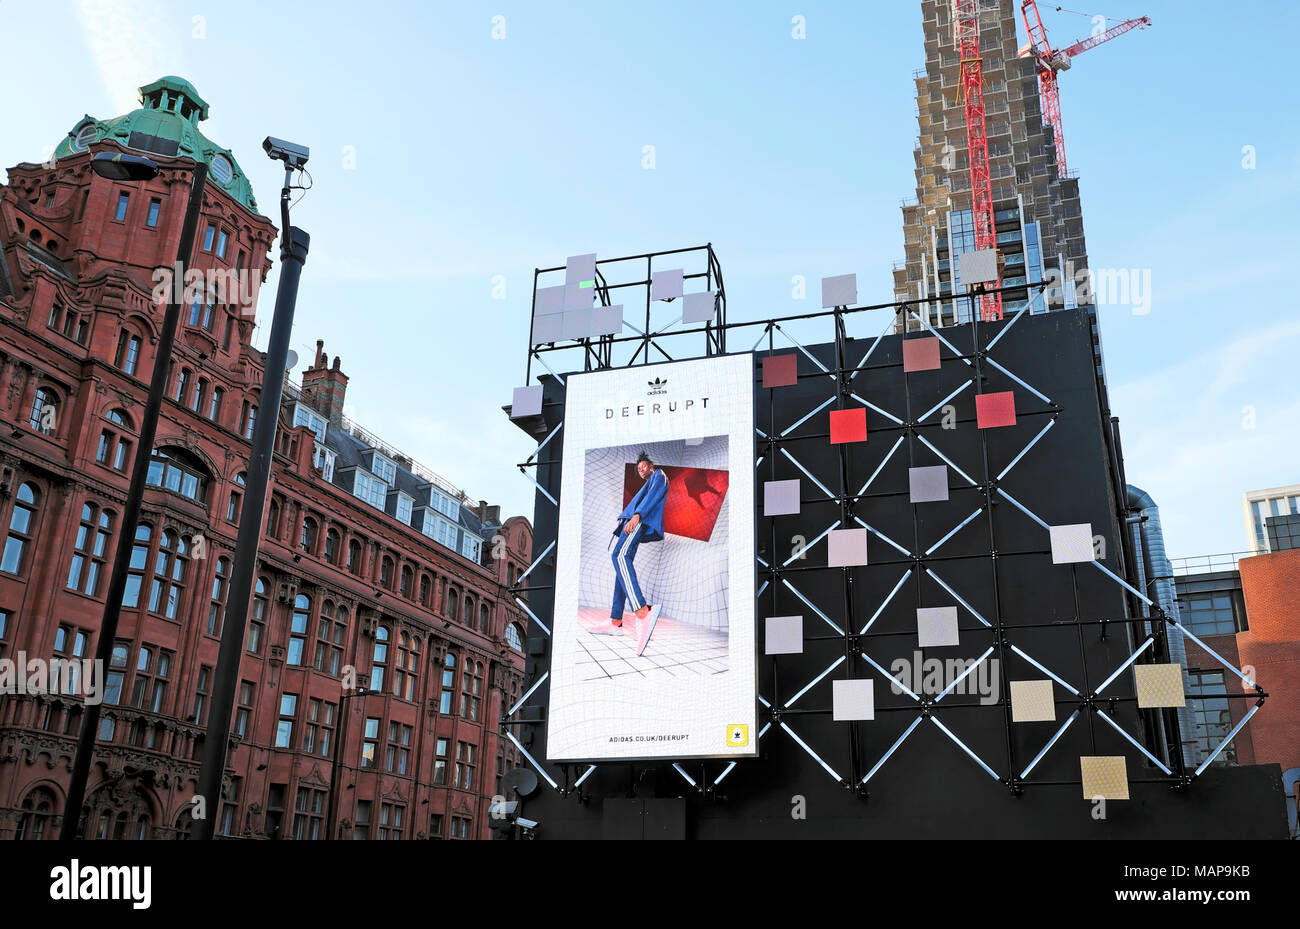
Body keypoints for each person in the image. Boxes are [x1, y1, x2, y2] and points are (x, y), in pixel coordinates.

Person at [594, 451, 667, 643]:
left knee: (619, 556)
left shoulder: (659, 475)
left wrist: (637, 516)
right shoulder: (649, 481)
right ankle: (615, 621)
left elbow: (652, 497)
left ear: (651, 465)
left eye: (644, 467)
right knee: (621, 567)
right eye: (639, 469)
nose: (642, 471)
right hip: (635, 521)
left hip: (638, 522)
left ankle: (642, 611)